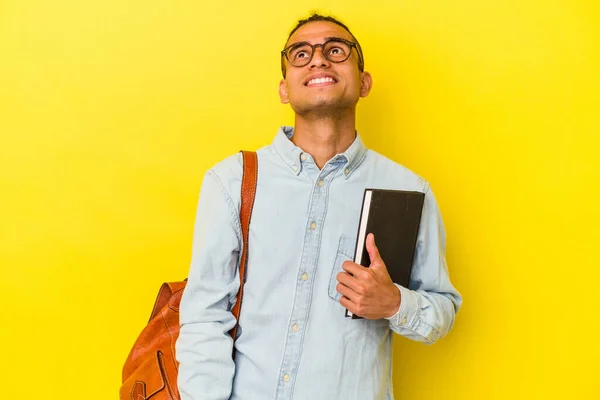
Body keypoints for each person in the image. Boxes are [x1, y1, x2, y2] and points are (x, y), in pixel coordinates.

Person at [176, 13, 462, 400]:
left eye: (336, 50)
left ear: (364, 82)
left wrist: (395, 302)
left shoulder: (408, 191)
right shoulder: (231, 182)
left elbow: (442, 311)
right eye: (301, 54)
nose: (319, 60)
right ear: (284, 89)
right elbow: (204, 317)